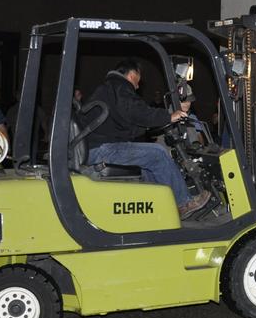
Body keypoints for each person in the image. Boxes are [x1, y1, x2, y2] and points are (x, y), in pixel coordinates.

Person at [85, 58, 209, 217]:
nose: (138, 85)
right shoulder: (120, 87)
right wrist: (168, 117)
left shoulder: (107, 89)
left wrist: (151, 125)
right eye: (138, 80)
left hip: (97, 146)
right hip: (102, 149)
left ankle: (160, 205)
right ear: (132, 75)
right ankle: (182, 203)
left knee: (148, 158)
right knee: (158, 153)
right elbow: (137, 112)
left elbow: (127, 122)